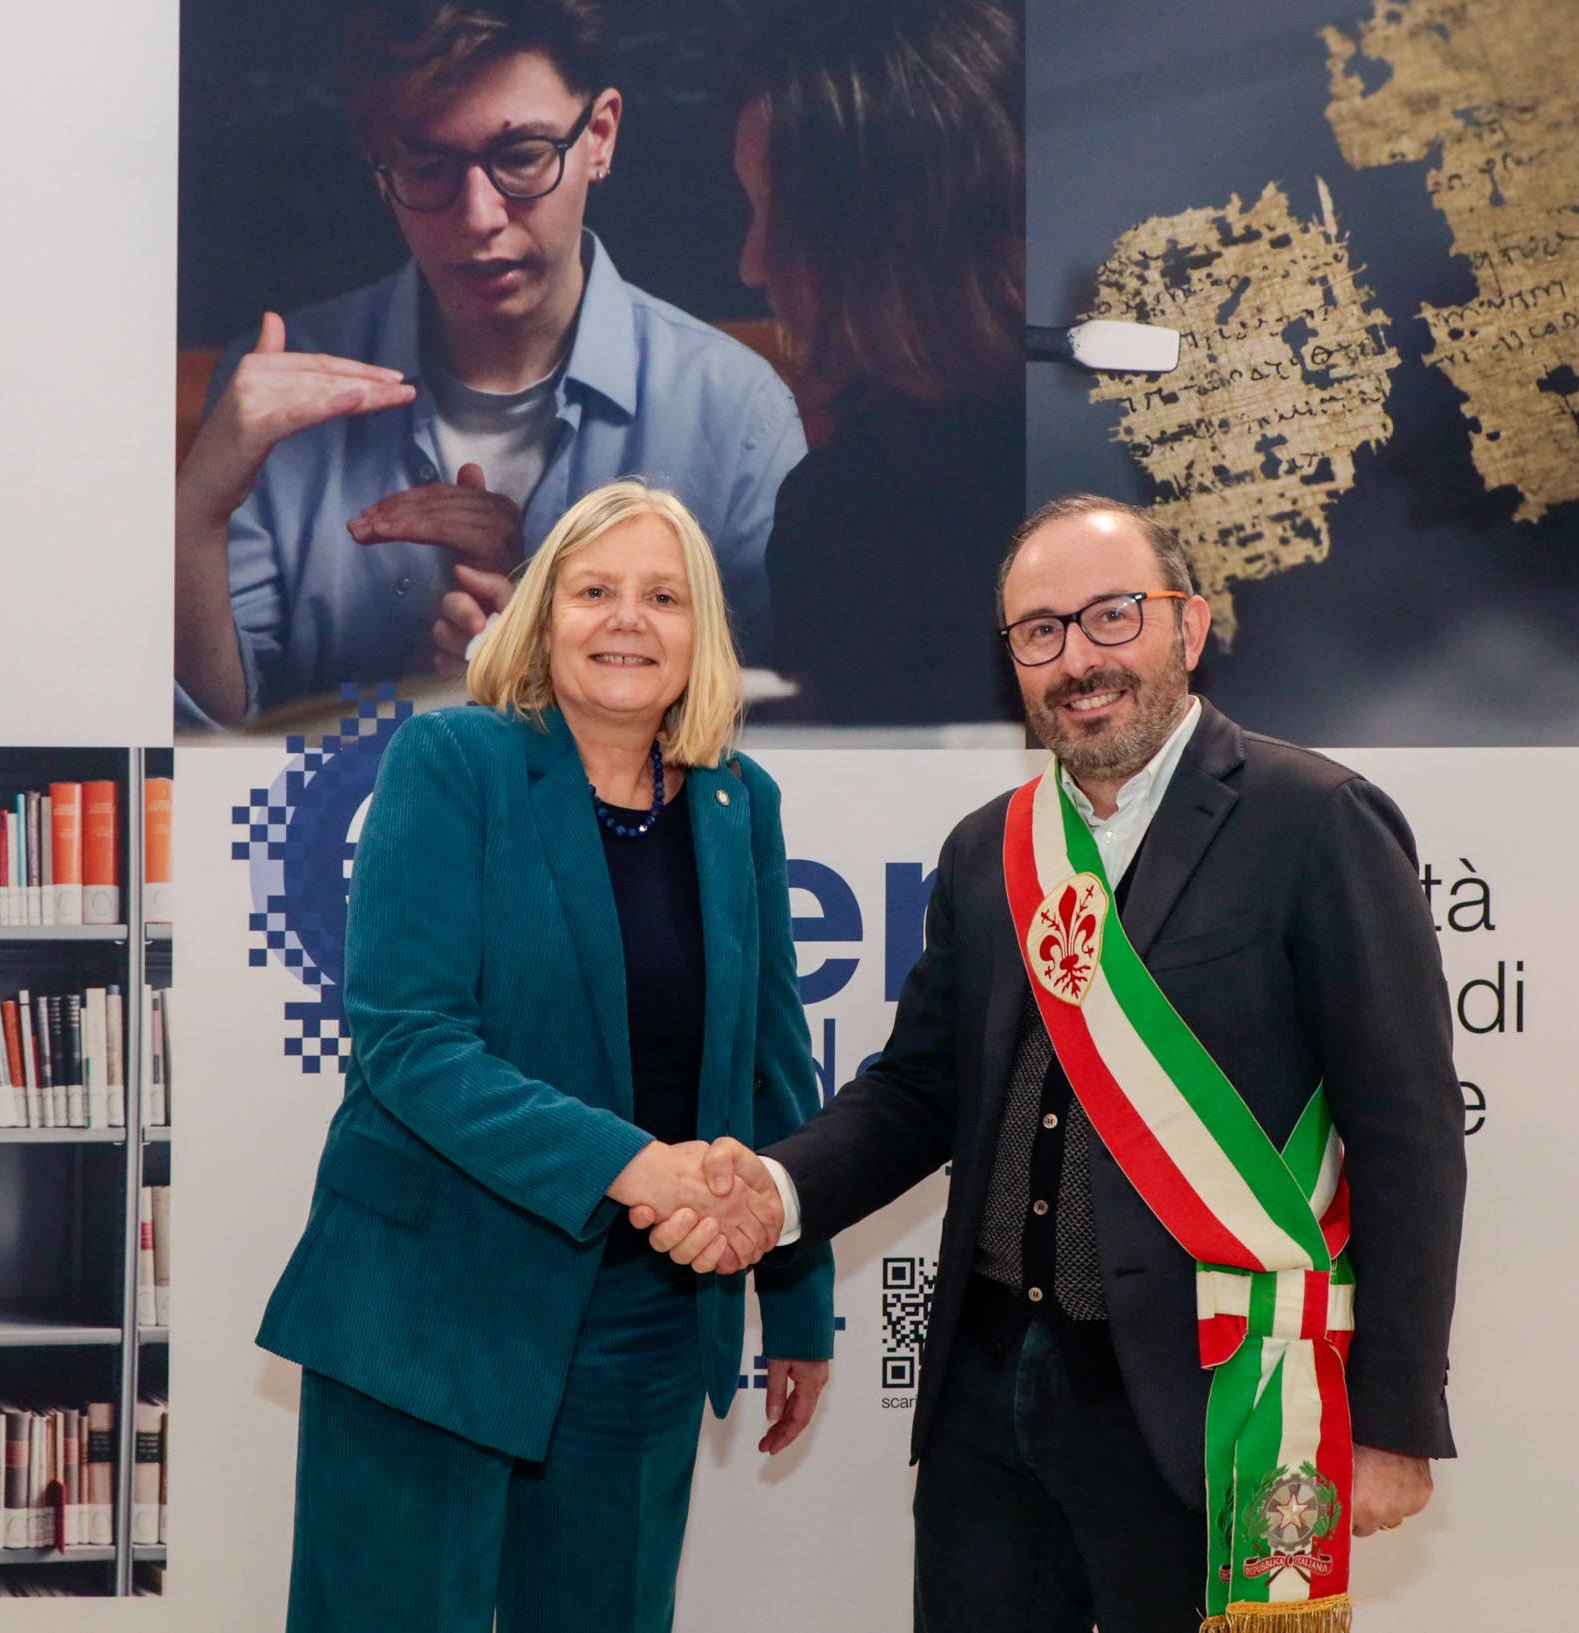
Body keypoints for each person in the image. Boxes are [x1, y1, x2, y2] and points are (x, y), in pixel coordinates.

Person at [643, 496, 1465, 1631]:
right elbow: (917, 1090)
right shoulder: (991, 849)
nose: (1076, 658)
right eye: (1039, 632)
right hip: (987, 1398)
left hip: (1203, 1399)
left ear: (1189, 626)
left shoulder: (1314, 819)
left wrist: (1389, 1420)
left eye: (1109, 617)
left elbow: (1407, 1130)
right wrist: (774, 1193)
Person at [258, 481, 833, 1631]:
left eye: (662, 595)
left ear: (700, 631)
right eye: (595, 590)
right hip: (429, 1309)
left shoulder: (738, 801)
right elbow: (412, 1044)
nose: (628, 619)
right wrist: (638, 1166)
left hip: (649, 1329)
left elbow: (775, 1067)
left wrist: (799, 1305)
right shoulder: (453, 760)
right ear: (540, 614)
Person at [176, 0, 806, 731]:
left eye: (522, 157)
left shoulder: (735, 410)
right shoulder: (272, 388)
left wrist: (562, 681)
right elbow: (217, 738)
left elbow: (770, 734)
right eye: (427, 165)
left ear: (598, 137)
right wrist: (194, 515)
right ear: (380, 167)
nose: (478, 217)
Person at [728, 0, 1025, 726]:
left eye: (781, 214)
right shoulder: (833, 513)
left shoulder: (1157, 459)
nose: (750, 264)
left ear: (900, 225)